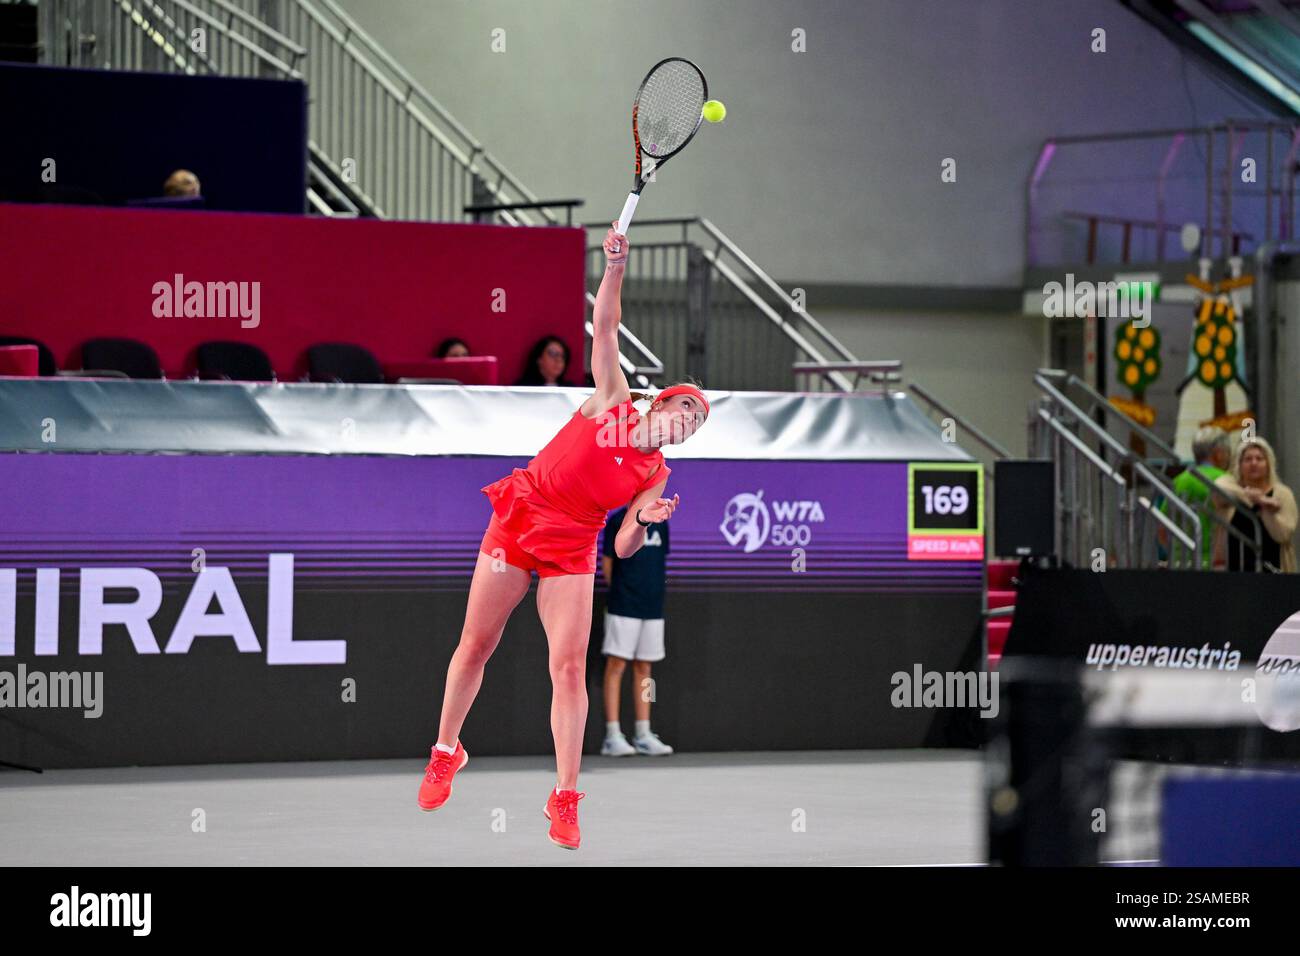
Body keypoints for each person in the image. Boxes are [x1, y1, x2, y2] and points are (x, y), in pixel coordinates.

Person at [418, 222, 710, 850]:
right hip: (521, 518)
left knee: (570, 668)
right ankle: (446, 750)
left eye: (699, 422)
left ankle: (566, 798)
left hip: (575, 548)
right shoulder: (613, 399)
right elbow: (604, 329)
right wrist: (613, 268)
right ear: (660, 404)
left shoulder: (656, 475)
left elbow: (624, 546)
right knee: (477, 642)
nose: (690, 421)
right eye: (687, 408)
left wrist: (646, 522)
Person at [600, 504, 673, 757]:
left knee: (645, 668)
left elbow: (660, 562)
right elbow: (608, 563)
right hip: (623, 605)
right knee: (616, 666)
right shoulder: (619, 519)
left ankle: (643, 733)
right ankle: (612, 735)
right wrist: (622, 593)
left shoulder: (662, 522)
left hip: (652, 607)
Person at [1213, 436, 1297, 573]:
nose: (1253, 463)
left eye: (1259, 459)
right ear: (1239, 465)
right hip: (1234, 571)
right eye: (1248, 459)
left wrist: (1262, 507)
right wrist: (1256, 498)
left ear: (1268, 463)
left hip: (1274, 570)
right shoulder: (1232, 487)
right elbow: (1218, 490)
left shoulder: (1282, 494)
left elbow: (1283, 534)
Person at [1157, 426, 1229, 569]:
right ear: (1219, 454)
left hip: (1180, 562)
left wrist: (1174, 554)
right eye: (1227, 452)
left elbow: (1162, 528)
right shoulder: (1225, 480)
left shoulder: (1179, 480)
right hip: (1214, 564)